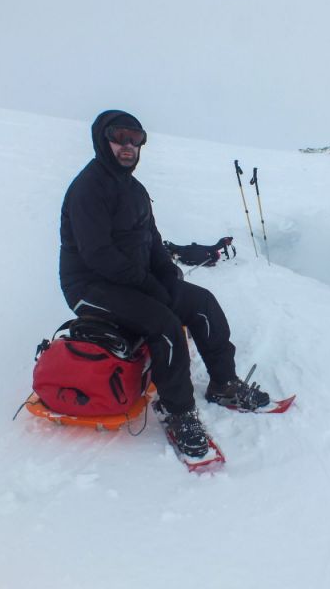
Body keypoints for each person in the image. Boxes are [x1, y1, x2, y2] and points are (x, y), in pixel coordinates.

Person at [59, 110, 269, 457]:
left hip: (131, 283)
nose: (128, 145)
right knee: (165, 325)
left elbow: (151, 241)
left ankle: (224, 384)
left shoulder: (135, 189)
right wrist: (147, 285)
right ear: (102, 139)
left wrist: (167, 276)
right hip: (89, 288)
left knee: (202, 304)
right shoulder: (88, 189)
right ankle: (178, 411)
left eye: (136, 138)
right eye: (119, 136)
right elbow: (98, 256)